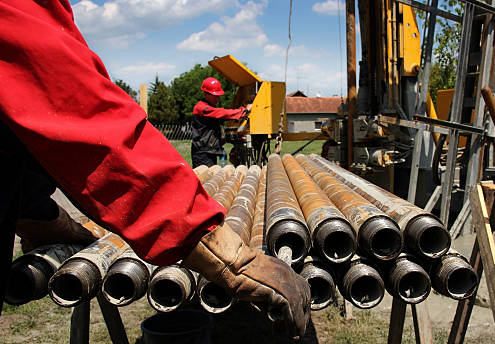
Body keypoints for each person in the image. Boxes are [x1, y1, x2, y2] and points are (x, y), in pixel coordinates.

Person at [0, 0, 310, 338]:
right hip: (202, 153)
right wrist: (232, 258)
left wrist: (34, 210)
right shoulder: (202, 106)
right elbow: (75, 109)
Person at [191, 77, 251, 167]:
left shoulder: (207, 107)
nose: (217, 98)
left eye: (218, 96)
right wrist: (243, 111)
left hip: (208, 151)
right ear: (206, 94)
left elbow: (211, 130)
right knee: (205, 178)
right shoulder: (202, 108)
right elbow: (221, 113)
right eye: (215, 96)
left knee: (210, 176)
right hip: (203, 153)